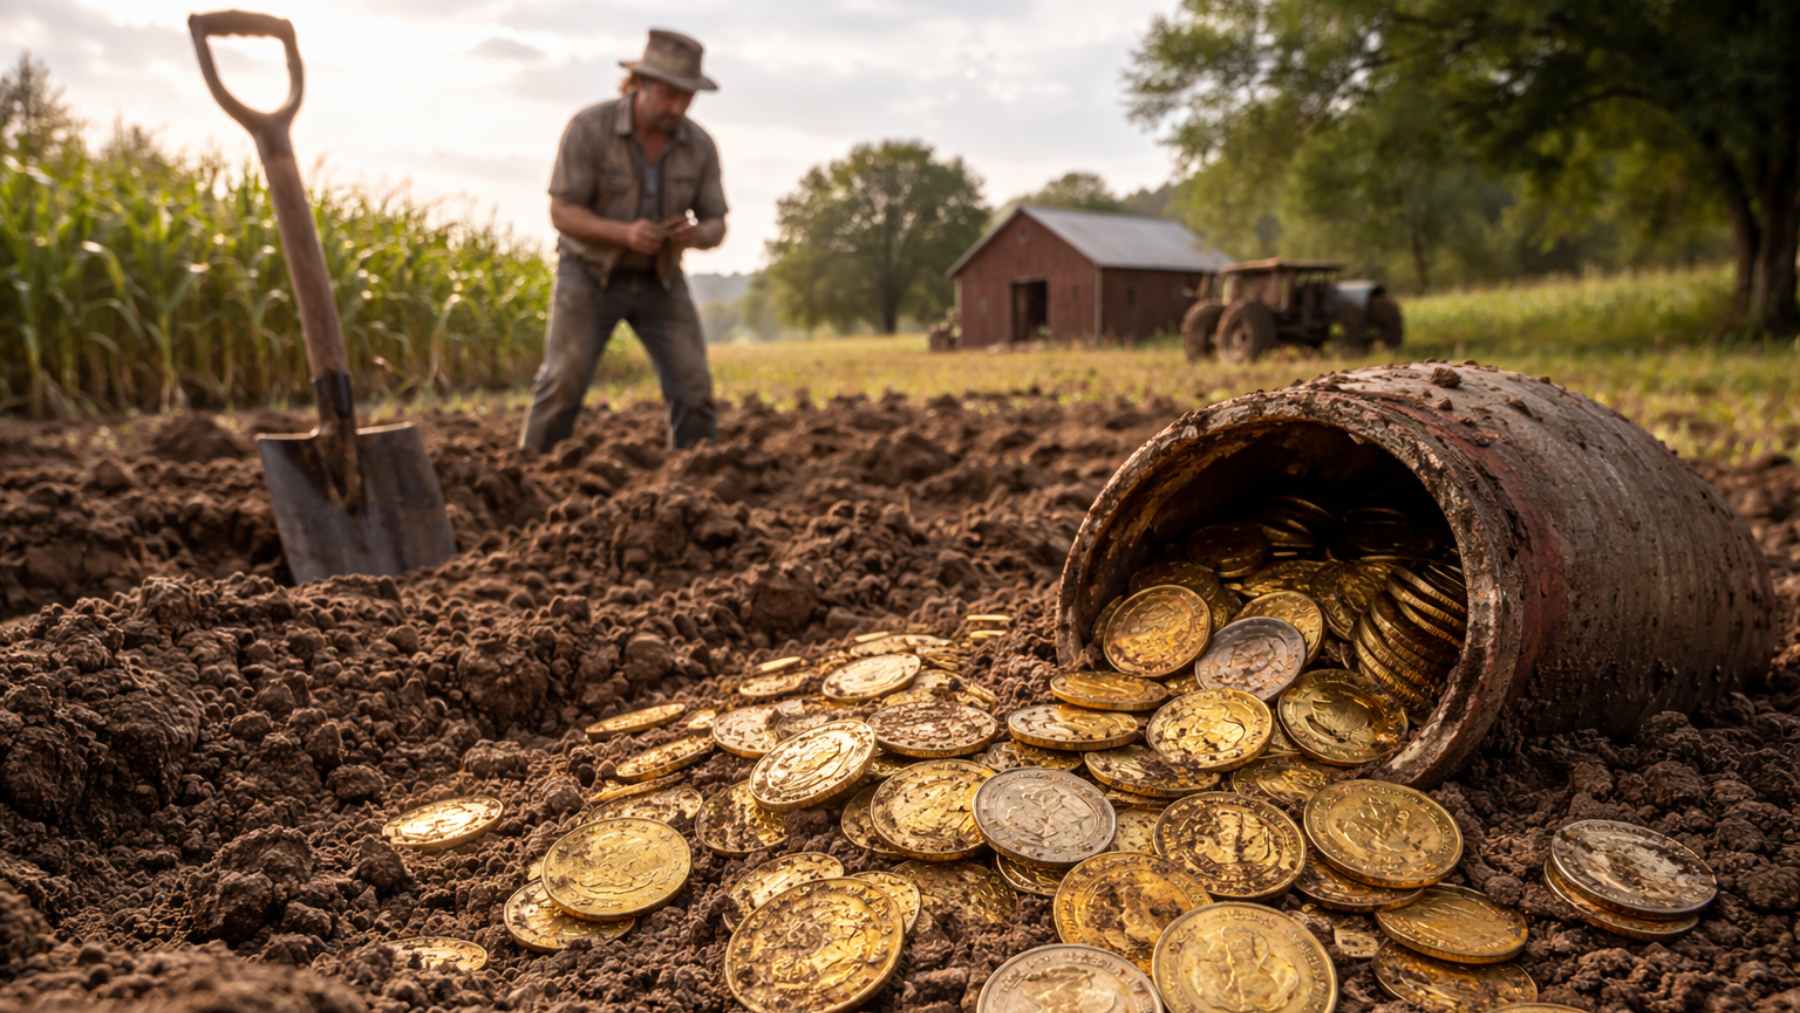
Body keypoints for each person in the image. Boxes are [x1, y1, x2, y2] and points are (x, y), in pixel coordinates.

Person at [519, 28, 728, 453]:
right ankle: (530, 476)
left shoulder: (700, 146)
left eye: (686, 98)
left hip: (660, 279)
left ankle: (693, 484)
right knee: (562, 382)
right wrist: (624, 234)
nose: (678, 106)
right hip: (589, 275)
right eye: (669, 95)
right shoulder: (588, 129)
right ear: (641, 84)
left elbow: (716, 223)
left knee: (694, 390)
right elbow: (562, 212)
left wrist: (694, 236)